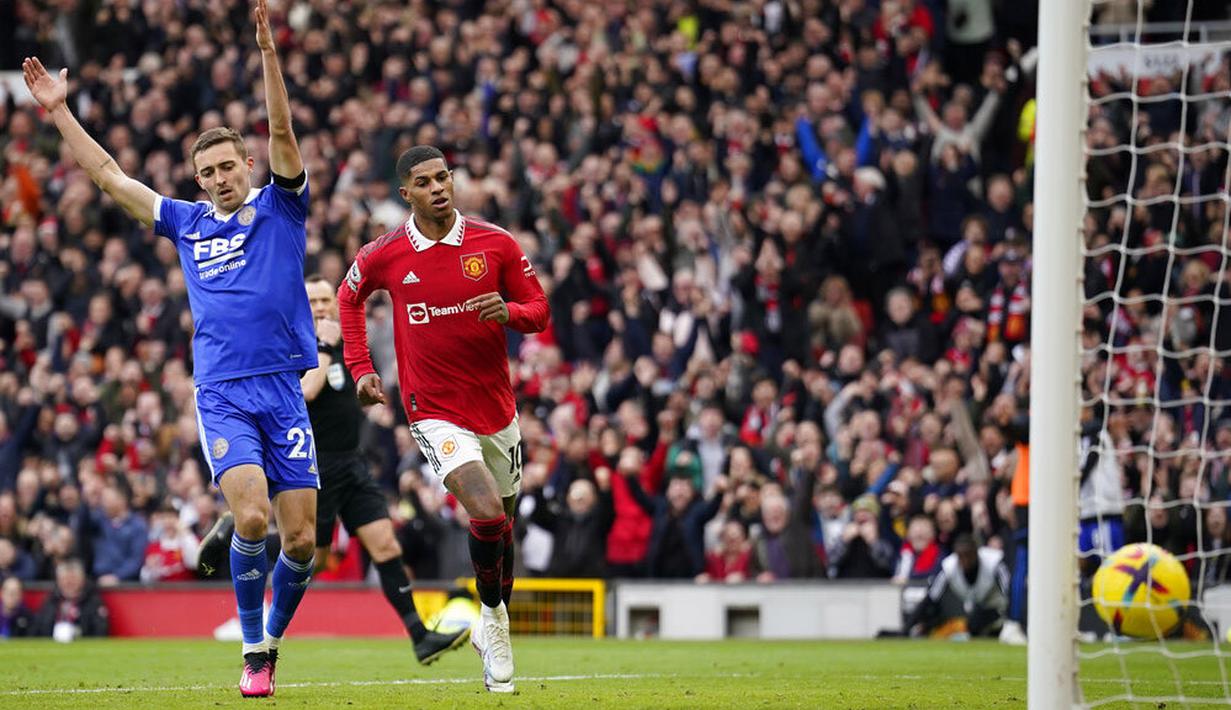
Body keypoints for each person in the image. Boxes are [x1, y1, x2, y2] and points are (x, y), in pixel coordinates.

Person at [23, 0, 317, 695]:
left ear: (247, 164)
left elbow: (281, 127)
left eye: (226, 166)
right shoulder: (185, 223)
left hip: (283, 386)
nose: (218, 178)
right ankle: (252, 652)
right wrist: (59, 112)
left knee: (301, 542)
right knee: (250, 516)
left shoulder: (282, 205)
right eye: (206, 171)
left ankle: (273, 637)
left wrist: (269, 55)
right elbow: (109, 177)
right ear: (196, 180)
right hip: (221, 390)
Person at [336, 145, 550, 693]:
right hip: (432, 410)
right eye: (425, 182)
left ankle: (491, 621)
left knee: (503, 529)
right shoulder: (386, 253)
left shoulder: (495, 243)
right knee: (483, 512)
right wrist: (360, 366)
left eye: (444, 178)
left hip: (496, 409)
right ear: (405, 193)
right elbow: (348, 297)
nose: (438, 188)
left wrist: (513, 313)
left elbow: (539, 309)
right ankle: (496, 625)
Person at [198, 274, 469, 664]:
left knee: (386, 544)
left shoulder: (341, 343)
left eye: (327, 300)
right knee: (311, 554)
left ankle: (420, 636)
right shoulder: (292, 343)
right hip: (312, 463)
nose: (322, 308)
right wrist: (323, 344)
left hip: (352, 462)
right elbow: (307, 391)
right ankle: (238, 533)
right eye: (313, 301)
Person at [905, 534, 1010, 640]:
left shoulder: (993, 561)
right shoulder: (949, 566)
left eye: (969, 555)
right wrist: (907, 628)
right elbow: (931, 598)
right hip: (974, 608)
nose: (966, 561)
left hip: (1000, 608)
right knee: (972, 623)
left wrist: (1012, 617)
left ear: (976, 552)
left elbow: (1009, 590)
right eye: (961, 556)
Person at [31, 558, 109, 640]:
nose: (69, 583)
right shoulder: (51, 601)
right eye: (65, 579)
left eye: (73, 579)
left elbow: (100, 632)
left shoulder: (93, 602)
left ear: (82, 580)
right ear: (58, 581)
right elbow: (38, 629)